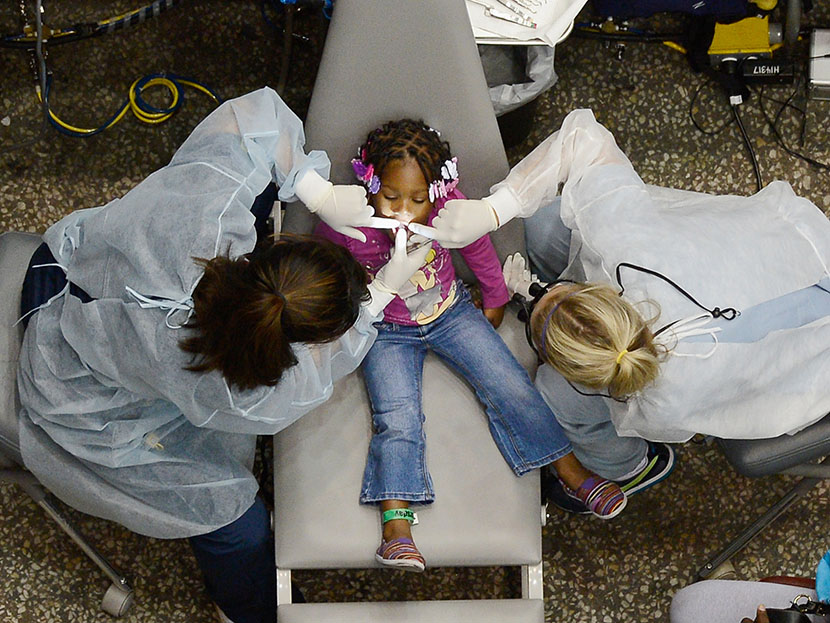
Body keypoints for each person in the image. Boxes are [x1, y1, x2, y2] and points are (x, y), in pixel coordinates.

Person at [15, 87, 431, 623]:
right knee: (237, 522)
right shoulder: (228, 382)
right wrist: (376, 300)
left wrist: (314, 189)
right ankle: (248, 608)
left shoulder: (210, 220)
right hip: (73, 387)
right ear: (294, 345)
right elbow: (294, 391)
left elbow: (253, 118)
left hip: (74, 261)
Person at [411, 108, 830, 512]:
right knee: (544, 226)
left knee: (557, 399)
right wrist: (495, 209)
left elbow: (634, 406)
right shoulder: (630, 249)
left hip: (806, 357)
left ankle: (632, 467)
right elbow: (583, 137)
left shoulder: (667, 398)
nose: (538, 296)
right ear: (608, 294)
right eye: (554, 295)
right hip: (801, 259)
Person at [315, 118, 627, 572]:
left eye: (417, 199)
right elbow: (325, 274)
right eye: (391, 196)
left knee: (510, 386)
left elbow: (477, 249)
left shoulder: (447, 207)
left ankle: (570, 471)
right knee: (397, 418)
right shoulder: (349, 222)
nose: (404, 210)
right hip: (385, 330)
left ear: (435, 192)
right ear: (369, 183)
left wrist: (496, 295)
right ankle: (396, 529)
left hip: (451, 312)